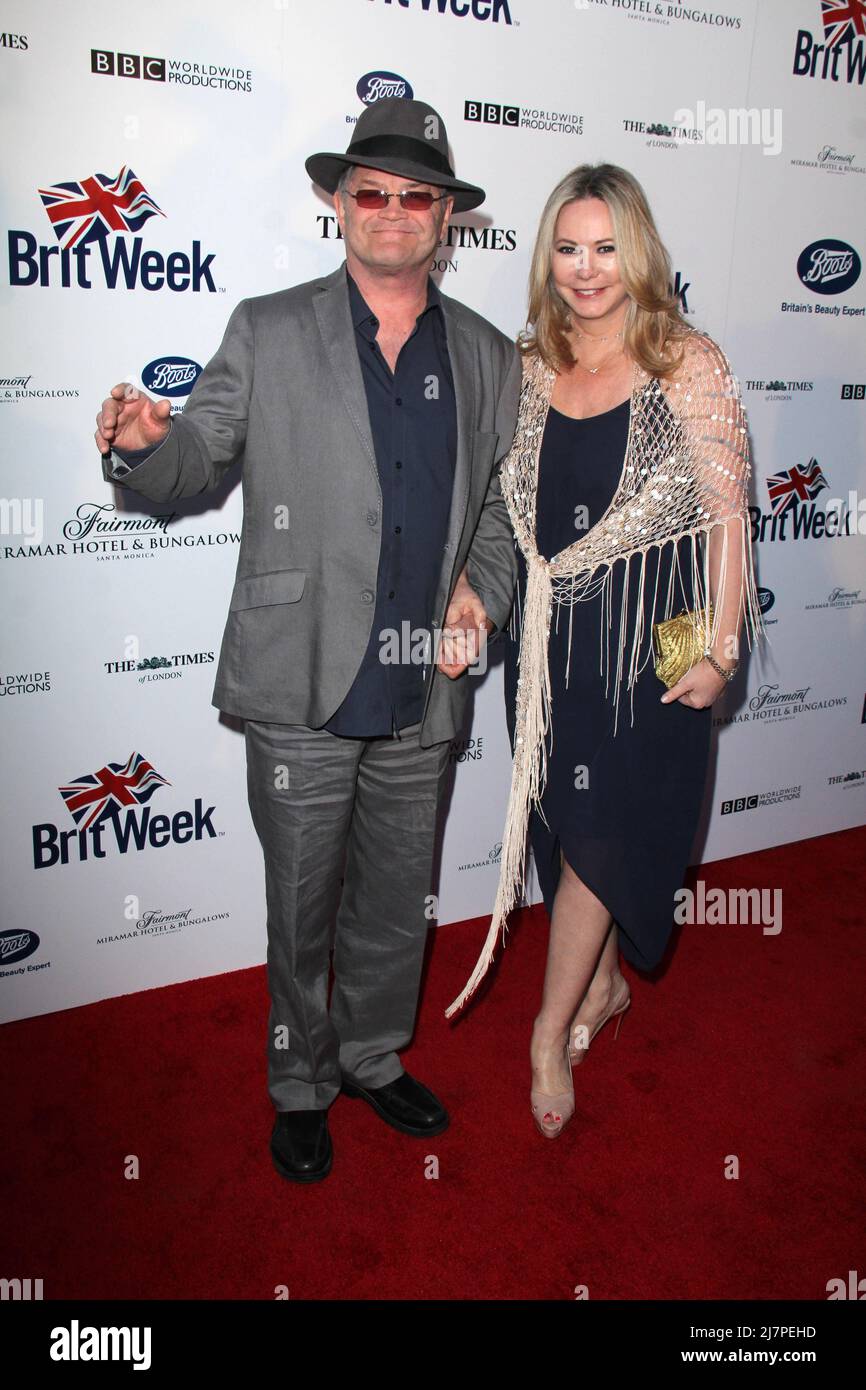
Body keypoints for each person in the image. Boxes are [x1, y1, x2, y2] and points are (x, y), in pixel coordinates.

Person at [94, 98, 521, 1181]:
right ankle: (300, 1080)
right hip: (301, 679)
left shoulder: (485, 356)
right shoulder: (267, 328)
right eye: (368, 192)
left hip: (421, 688)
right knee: (300, 907)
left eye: (413, 196)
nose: (389, 212)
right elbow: (193, 466)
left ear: (444, 217)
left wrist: (479, 594)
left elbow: (497, 520)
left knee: (393, 900)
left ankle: (372, 1057)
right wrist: (148, 447)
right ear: (337, 204)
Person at [444, 163, 763, 1138]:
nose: (585, 270)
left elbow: (725, 518)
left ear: (639, 250)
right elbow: (493, 501)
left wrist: (718, 645)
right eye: (568, 247)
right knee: (559, 823)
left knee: (600, 827)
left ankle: (547, 1030)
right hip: (550, 640)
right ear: (548, 254)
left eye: (605, 247)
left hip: (651, 642)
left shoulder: (684, 361)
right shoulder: (529, 361)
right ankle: (605, 984)